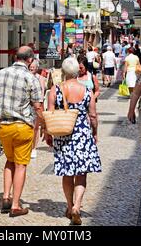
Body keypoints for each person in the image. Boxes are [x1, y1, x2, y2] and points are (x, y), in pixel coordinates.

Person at [0, 46, 43, 217]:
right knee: (20, 165)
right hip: (22, 126)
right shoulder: (30, 78)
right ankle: (16, 205)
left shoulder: (0, 74)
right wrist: (45, 125)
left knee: (9, 161)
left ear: (15, 57)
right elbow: (38, 106)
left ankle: (5, 197)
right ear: (30, 60)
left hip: (4, 127)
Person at [44, 57, 101, 225]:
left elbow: (50, 113)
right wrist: (95, 132)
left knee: (67, 173)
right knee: (81, 174)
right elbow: (93, 115)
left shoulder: (55, 90)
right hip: (82, 135)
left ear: (63, 72)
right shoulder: (87, 91)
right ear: (77, 71)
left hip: (63, 135)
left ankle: (69, 206)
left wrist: (48, 134)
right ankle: (77, 206)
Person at [28, 59, 46, 159]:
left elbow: (41, 94)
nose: (32, 68)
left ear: (37, 68)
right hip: (26, 106)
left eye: (34, 67)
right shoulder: (25, 77)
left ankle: (34, 148)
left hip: (36, 105)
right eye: (30, 66)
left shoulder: (41, 79)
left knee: (35, 128)